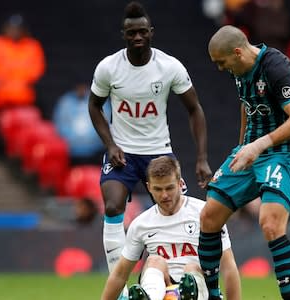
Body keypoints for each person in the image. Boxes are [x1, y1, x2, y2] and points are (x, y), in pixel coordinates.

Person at [88, 2, 212, 298]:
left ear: (151, 32)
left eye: (143, 31)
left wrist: (202, 158)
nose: (138, 37)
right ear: (124, 35)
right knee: (113, 206)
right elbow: (94, 105)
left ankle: (184, 282)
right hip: (123, 153)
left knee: (176, 209)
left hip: (159, 153)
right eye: (132, 32)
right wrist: (110, 144)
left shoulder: (169, 67)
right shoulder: (109, 67)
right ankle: (121, 294)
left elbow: (194, 109)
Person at [199, 25, 290, 300]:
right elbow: (246, 104)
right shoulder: (239, 69)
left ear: (237, 52)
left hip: (282, 152)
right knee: (209, 216)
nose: (220, 69)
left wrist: (258, 145)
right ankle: (214, 296)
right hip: (251, 150)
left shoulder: (275, 67)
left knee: (270, 223)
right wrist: (242, 146)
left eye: (221, 62)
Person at [100, 156, 241, 300]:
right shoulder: (141, 224)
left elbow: (228, 267)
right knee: (154, 261)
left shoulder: (206, 214)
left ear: (180, 184)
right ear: (149, 187)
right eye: (158, 189)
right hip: (163, 290)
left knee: (192, 268)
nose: (164, 195)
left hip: (203, 290)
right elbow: (119, 275)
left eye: (169, 188)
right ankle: (151, 297)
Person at [53, 83, 109, 165]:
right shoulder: (65, 102)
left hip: (95, 152)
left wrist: (91, 141)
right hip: (71, 153)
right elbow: (60, 126)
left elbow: (105, 123)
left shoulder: (98, 100)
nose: (81, 89)